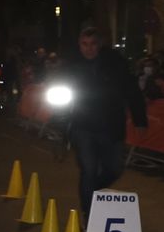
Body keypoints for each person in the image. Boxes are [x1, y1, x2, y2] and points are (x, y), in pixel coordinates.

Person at [63, 27, 147, 216]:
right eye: (84, 44)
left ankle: (91, 192)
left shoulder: (116, 62)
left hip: (111, 125)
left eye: (92, 44)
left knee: (114, 169)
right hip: (83, 126)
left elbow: (132, 91)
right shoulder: (71, 65)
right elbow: (61, 93)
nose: (89, 49)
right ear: (79, 45)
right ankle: (88, 215)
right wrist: (60, 124)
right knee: (89, 169)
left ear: (99, 44)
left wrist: (140, 119)